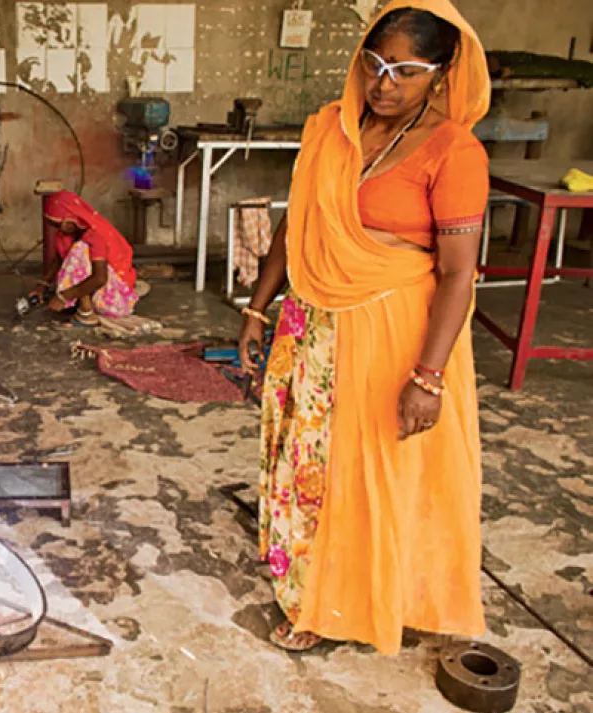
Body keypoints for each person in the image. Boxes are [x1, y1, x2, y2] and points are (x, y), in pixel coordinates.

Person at [237, 0, 490, 654]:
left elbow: (459, 273)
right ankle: (309, 587)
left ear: (442, 71)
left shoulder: (454, 150)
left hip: (395, 337)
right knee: (309, 463)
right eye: (374, 65)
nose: (383, 83)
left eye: (405, 70)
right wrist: (258, 307)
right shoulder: (334, 128)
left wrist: (428, 378)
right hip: (314, 323)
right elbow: (298, 224)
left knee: (370, 475)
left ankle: (347, 601)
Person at [32, 191, 139, 326]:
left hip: (117, 298)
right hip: (103, 289)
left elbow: (100, 278)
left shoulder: (95, 235)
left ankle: (86, 314)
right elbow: (59, 259)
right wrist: (42, 285)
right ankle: (82, 302)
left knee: (79, 251)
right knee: (75, 251)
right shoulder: (72, 232)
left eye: (59, 224)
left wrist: (64, 297)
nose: (58, 229)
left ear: (71, 217)